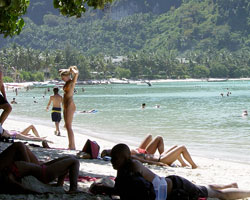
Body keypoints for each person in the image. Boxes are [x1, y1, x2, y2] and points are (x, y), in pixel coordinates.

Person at [91, 143, 250, 200]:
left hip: (179, 186)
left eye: (115, 159)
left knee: (217, 195)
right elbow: (121, 190)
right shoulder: (123, 169)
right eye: (112, 158)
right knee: (206, 188)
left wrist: (104, 189)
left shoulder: (133, 166)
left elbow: (147, 189)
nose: (112, 162)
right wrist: (104, 189)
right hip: (170, 183)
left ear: (125, 158)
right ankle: (230, 184)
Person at [0, 142, 79, 194]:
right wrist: (37, 192)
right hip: (43, 173)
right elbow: (19, 187)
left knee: (70, 157)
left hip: (40, 169)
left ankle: (59, 185)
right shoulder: (8, 176)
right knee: (74, 161)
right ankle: (73, 189)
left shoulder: (8, 171)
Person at [101, 135, 197, 168]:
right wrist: (160, 164)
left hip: (160, 157)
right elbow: (146, 162)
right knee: (182, 147)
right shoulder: (131, 157)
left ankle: (183, 164)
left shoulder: (131, 155)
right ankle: (194, 165)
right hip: (161, 159)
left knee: (176, 146)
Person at [59, 66, 79, 150]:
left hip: (70, 103)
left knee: (68, 125)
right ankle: (70, 145)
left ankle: (72, 146)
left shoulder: (71, 82)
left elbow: (76, 73)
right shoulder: (66, 83)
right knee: (67, 126)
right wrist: (66, 70)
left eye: (63, 77)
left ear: (67, 76)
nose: (62, 79)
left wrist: (71, 70)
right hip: (66, 104)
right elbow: (60, 70)